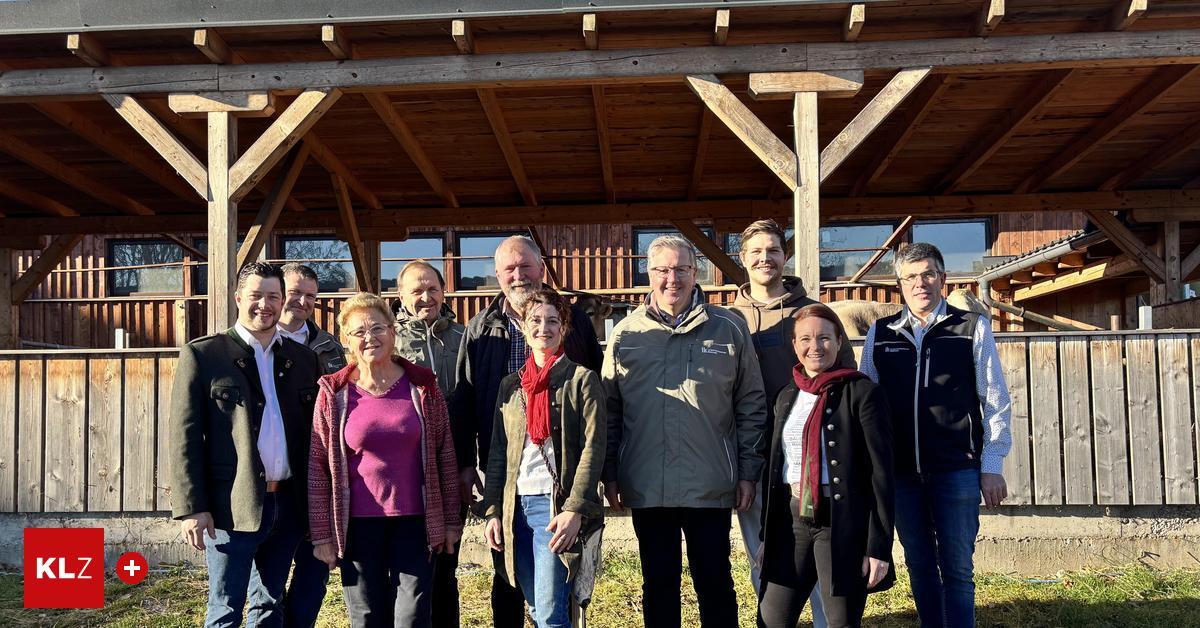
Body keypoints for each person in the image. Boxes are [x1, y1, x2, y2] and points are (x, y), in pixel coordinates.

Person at [601, 235, 767, 628]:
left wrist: (747, 471)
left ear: (696, 273)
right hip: (646, 481)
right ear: (648, 273)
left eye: (681, 269)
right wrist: (609, 473)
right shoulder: (626, 334)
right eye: (662, 270)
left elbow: (751, 402)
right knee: (658, 584)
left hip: (709, 482)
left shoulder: (728, 327)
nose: (671, 278)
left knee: (715, 582)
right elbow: (609, 409)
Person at [449, 235, 602, 628]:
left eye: (525, 266)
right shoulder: (484, 333)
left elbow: (593, 435)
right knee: (518, 593)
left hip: (557, 496)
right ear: (498, 275)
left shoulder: (578, 343)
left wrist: (578, 503)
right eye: (509, 269)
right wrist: (486, 497)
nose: (518, 275)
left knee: (552, 609)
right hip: (512, 489)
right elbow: (468, 405)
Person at [860, 242, 1012, 628]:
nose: (920, 283)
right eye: (910, 276)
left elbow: (994, 399)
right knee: (920, 564)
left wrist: (991, 464)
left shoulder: (970, 328)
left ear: (942, 278)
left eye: (928, 274)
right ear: (899, 284)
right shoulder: (881, 334)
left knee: (958, 569)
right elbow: (868, 406)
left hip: (956, 470)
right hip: (902, 475)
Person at [169, 262, 321, 628]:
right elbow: (184, 436)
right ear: (239, 298)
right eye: (256, 296)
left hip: (287, 504)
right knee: (225, 608)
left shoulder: (303, 360)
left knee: (269, 604)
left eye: (272, 296)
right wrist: (193, 506)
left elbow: (314, 435)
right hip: (230, 506)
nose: (264, 305)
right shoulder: (205, 355)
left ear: (282, 301)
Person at [308, 292, 462, 628]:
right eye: (359, 332)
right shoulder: (334, 393)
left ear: (393, 332)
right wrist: (322, 536)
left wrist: (450, 522)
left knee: (413, 616)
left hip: (415, 522)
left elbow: (445, 457)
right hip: (358, 525)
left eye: (378, 328)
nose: (370, 338)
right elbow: (318, 467)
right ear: (346, 341)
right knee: (366, 617)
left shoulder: (422, 386)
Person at [729, 219, 854, 627]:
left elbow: (845, 382)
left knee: (820, 559)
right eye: (757, 252)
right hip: (752, 457)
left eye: (774, 250)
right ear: (743, 259)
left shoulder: (814, 314)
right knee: (762, 555)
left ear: (785, 256)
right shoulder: (728, 320)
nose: (766, 258)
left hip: (809, 460)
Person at [758, 304, 894, 628]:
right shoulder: (786, 395)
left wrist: (878, 547)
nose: (815, 346)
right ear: (794, 345)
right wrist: (767, 536)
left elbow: (881, 474)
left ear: (839, 341)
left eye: (824, 338)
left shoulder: (862, 392)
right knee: (771, 619)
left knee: (841, 623)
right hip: (792, 522)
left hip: (842, 524)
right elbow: (776, 467)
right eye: (805, 338)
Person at [483, 288, 606, 628]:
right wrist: (493, 510)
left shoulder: (582, 381)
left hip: (554, 509)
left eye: (553, 320)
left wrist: (575, 509)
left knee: (552, 614)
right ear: (523, 326)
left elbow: (593, 450)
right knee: (538, 609)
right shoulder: (511, 386)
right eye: (535, 320)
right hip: (514, 509)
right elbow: (498, 453)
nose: (543, 328)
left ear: (564, 327)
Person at [392, 260, 467, 627]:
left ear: (443, 292)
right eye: (416, 291)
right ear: (400, 295)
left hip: (450, 468)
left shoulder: (463, 337)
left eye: (432, 289)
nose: (426, 297)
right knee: (406, 571)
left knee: (445, 565)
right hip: (402, 472)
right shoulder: (387, 339)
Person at [276, 262, 347, 628]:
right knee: (269, 579)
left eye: (310, 296)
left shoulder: (330, 347)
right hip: (274, 477)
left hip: (319, 473)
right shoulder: (258, 343)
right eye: (295, 293)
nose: (302, 302)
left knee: (315, 567)